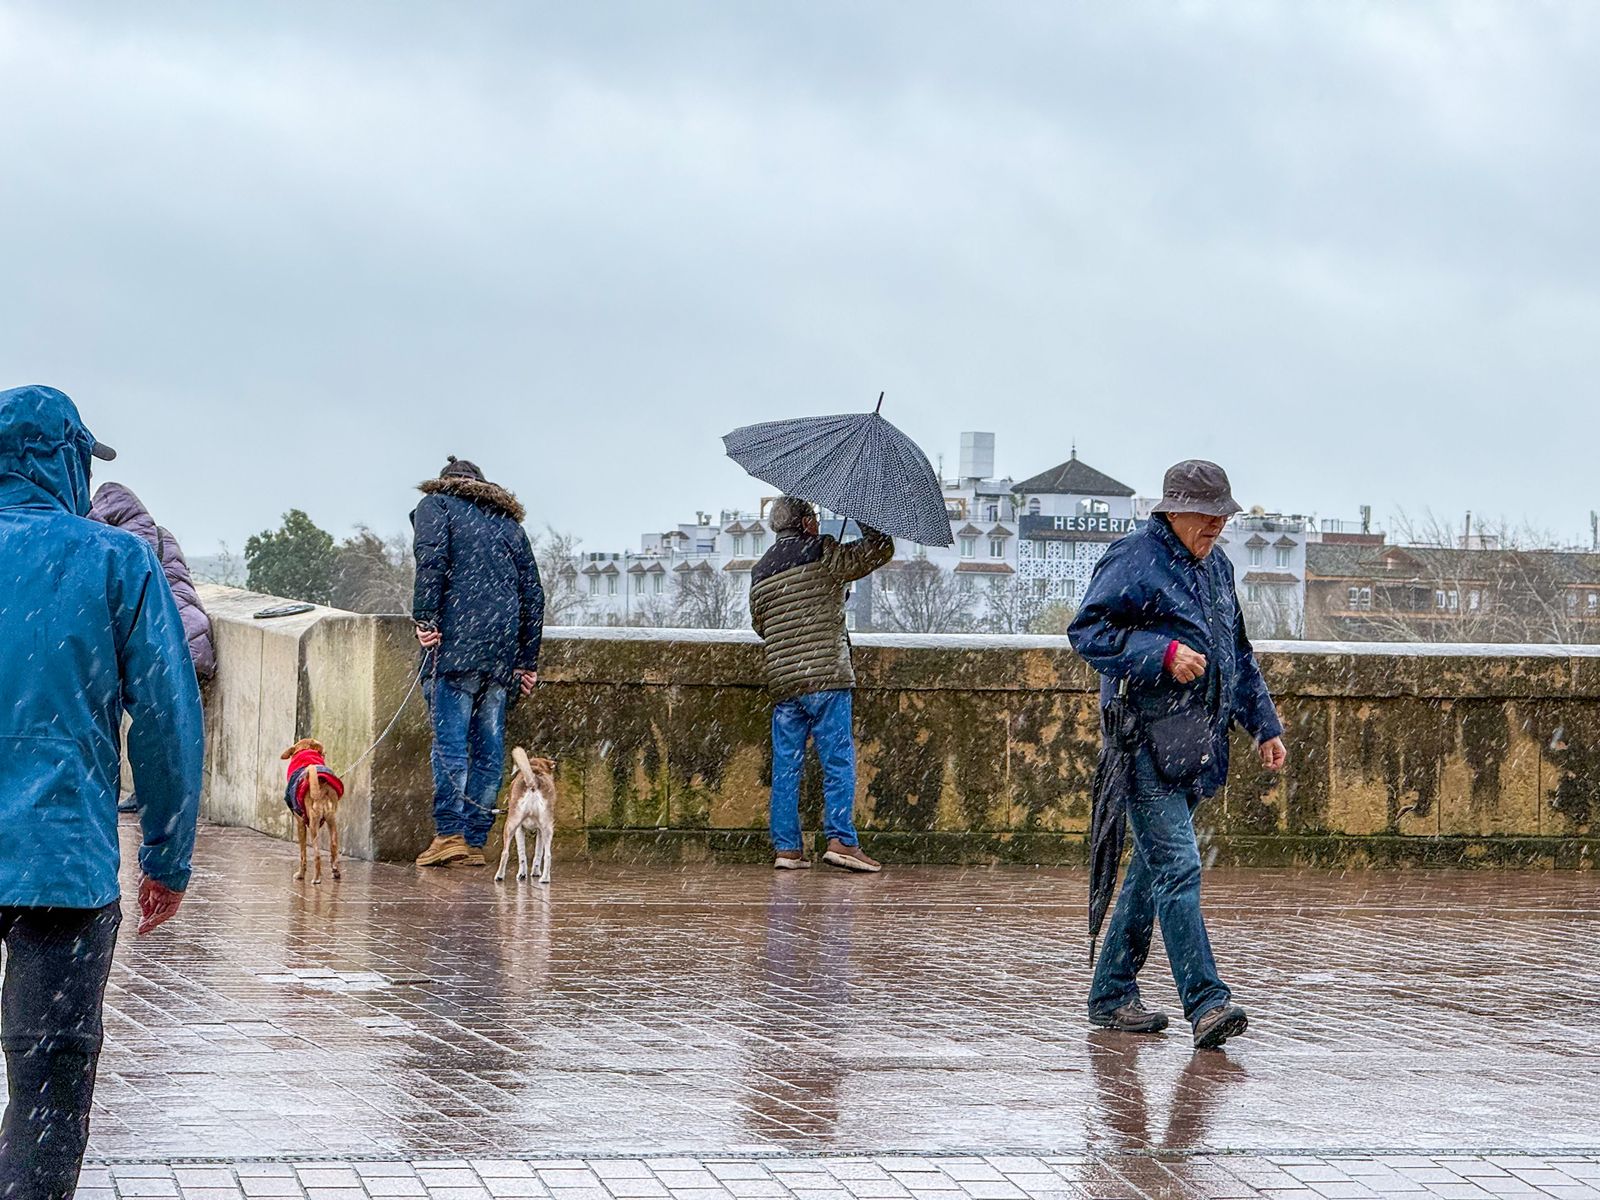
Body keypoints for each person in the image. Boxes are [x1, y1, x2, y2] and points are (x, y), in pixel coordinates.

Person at [0, 384, 203, 1196]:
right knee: (49, 1087)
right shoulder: (118, 561)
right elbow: (167, 719)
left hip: (61, 860)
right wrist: (167, 856)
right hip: (64, 865)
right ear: (67, 461)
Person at [1068, 459, 1286, 1051]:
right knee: (1179, 867)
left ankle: (1111, 994)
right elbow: (1088, 632)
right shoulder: (1134, 557)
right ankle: (1207, 1003)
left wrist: (1263, 726)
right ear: (1174, 510)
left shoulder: (1217, 567)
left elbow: (1236, 655)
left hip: (1194, 745)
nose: (1216, 525)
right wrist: (1160, 653)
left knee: (1152, 871)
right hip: (1142, 743)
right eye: (1206, 515)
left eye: (1222, 515)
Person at [411, 456, 544, 868]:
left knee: (450, 745)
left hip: (456, 646)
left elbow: (431, 562)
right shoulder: (509, 524)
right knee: (488, 750)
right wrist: (526, 661)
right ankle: (473, 840)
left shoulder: (437, 505)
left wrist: (425, 619)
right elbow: (533, 594)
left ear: (446, 483)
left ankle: (449, 834)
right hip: (500, 654)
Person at [748, 497, 894, 872]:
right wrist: (864, 511)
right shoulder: (823, 551)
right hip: (826, 676)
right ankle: (841, 840)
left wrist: (826, 596)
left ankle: (787, 849)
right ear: (805, 523)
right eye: (813, 517)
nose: (817, 522)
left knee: (786, 768)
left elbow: (762, 625)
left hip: (784, 683)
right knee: (837, 761)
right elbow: (880, 550)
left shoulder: (760, 570)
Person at [89, 481, 218, 813]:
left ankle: (148, 798)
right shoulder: (161, 535)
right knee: (176, 732)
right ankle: (174, 804)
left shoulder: (125, 542)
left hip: (167, 641)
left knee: (148, 729)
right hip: (193, 635)